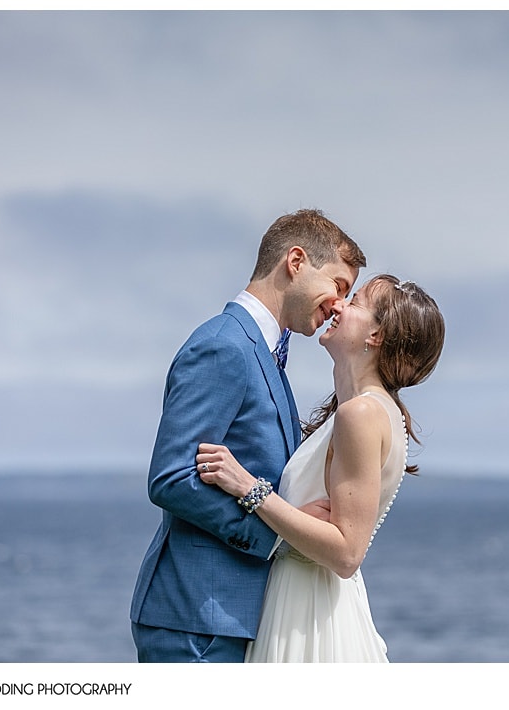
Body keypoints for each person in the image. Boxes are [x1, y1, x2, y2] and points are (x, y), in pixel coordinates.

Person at [129, 208, 366, 662]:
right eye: (338, 286)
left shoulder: (266, 354)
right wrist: (275, 535)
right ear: (295, 261)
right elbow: (172, 477)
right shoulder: (223, 345)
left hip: (234, 618)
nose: (340, 304)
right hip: (196, 621)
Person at [196, 274, 446, 662]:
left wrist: (249, 487)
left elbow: (347, 552)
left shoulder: (362, 413)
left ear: (376, 336)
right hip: (311, 602)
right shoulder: (365, 410)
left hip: (308, 612)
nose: (338, 304)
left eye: (356, 300)